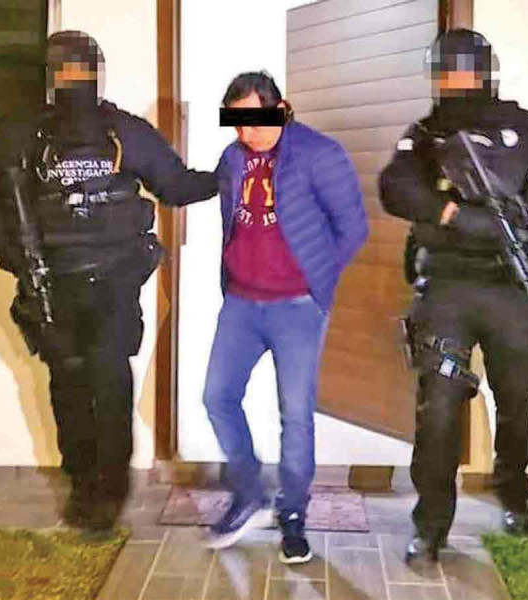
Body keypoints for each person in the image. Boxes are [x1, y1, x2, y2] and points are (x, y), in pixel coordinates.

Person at [0, 30, 218, 532]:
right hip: (53, 284)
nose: (73, 80)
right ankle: (87, 488)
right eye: (66, 70)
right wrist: (17, 257)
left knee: (102, 383)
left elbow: (177, 186)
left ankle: (105, 491)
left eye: (78, 70)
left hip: (112, 281)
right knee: (73, 385)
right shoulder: (25, 133)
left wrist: (232, 171)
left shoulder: (123, 131)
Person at [379, 29, 528, 563]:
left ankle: (513, 497)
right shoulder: (427, 133)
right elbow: (394, 186)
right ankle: (431, 526)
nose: (455, 81)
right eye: (447, 72)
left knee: (516, 402)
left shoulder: (521, 127)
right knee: (438, 408)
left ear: (485, 72)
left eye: (464, 70)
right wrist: (451, 213)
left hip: (512, 287)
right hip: (448, 286)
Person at [203, 71, 368, 563]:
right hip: (241, 302)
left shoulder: (321, 154)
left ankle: (292, 512)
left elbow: (353, 227)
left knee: (295, 415)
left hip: (297, 306)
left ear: (281, 109)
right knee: (217, 396)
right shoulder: (232, 158)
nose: (246, 133)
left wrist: (317, 282)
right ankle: (249, 492)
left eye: (255, 120)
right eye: (237, 123)